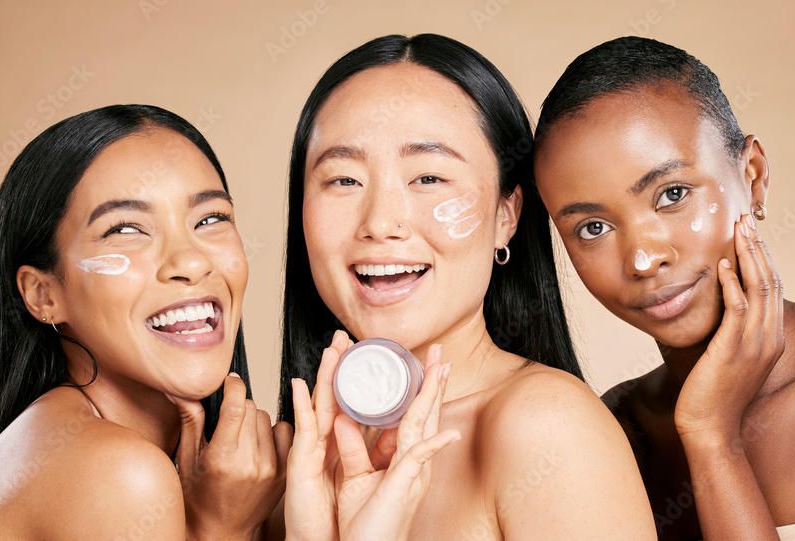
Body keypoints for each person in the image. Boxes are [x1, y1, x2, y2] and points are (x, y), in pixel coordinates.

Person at [533, 36, 795, 540]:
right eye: (592, 228)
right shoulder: (614, 432)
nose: (642, 258)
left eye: (672, 195)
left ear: (754, 176)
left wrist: (712, 437)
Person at [277, 34, 655, 540]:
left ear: (506, 216)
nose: (380, 222)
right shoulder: (294, 458)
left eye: (429, 177)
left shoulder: (547, 427)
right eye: (343, 180)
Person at [0, 105, 292, 540]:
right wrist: (221, 528)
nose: (191, 261)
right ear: (43, 294)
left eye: (210, 219)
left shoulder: (55, 441)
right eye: (126, 229)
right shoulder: (118, 473)